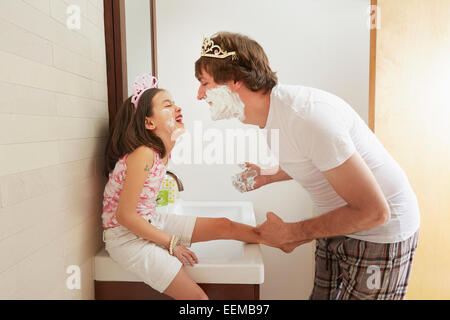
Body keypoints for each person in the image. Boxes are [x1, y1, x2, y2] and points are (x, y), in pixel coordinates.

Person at [195, 32, 420, 300]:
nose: (199, 95)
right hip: (339, 224)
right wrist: (270, 175)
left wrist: (292, 232)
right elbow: (319, 158)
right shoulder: (272, 114)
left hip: (379, 232)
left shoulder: (307, 117)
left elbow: (375, 212)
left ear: (234, 81)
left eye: (204, 83)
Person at [101, 74, 275, 300]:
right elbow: (124, 215)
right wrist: (171, 243)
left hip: (149, 221)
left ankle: (277, 237)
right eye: (167, 105)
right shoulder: (143, 154)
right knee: (199, 300)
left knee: (225, 225)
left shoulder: (160, 152)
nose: (177, 108)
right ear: (149, 122)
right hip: (126, 239)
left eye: (173, 103)